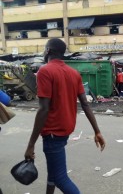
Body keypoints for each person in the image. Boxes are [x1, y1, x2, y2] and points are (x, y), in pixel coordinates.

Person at [24, 38, 106, 194]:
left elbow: (43, 109)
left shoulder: (45, 71)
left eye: (44, 48)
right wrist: (97, 131)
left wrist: (30, 145)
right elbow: (85, 104)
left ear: (48, 51)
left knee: (60, 178)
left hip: (52, 133)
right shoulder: (73, 73)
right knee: (54, 172)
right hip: (64, 131)